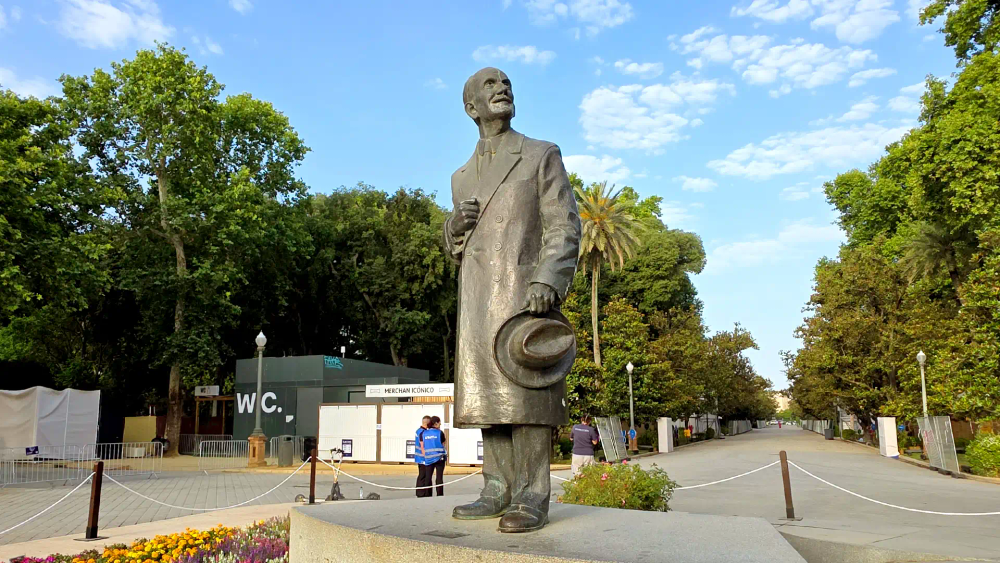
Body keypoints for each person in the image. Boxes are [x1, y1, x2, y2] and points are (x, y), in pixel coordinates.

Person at [445, 67, 581, 533]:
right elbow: (460, 247)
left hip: (524, 295)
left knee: (526, 397)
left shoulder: (541, 154)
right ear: (471, 108)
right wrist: (453, 229)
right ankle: (495, 488)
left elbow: (564, 224)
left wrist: (549, 278)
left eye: (505, 83)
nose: (501, 89)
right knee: (488, 398)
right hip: (478, 299)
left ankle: (532, 495)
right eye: (489, 85)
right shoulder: (460, 177)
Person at [421, 416, 448, 496]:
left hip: (428, 458)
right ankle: (439, 494)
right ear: (436, 423)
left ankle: (427, 494)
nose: (440, 424)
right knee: (439, 477)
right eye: (439, 422)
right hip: (439, 458)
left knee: (428, 477)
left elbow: (423, 445)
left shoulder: (424, 433)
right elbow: (443, 443)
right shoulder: (440, 433)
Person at [415, 415, 431, 498]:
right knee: (423, 476)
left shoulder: (418, 431)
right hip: (423, 458)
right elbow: (423, 446)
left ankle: (421, 492)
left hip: (419, 457)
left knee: (422, 475)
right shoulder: (423, 432)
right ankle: (422, 493)